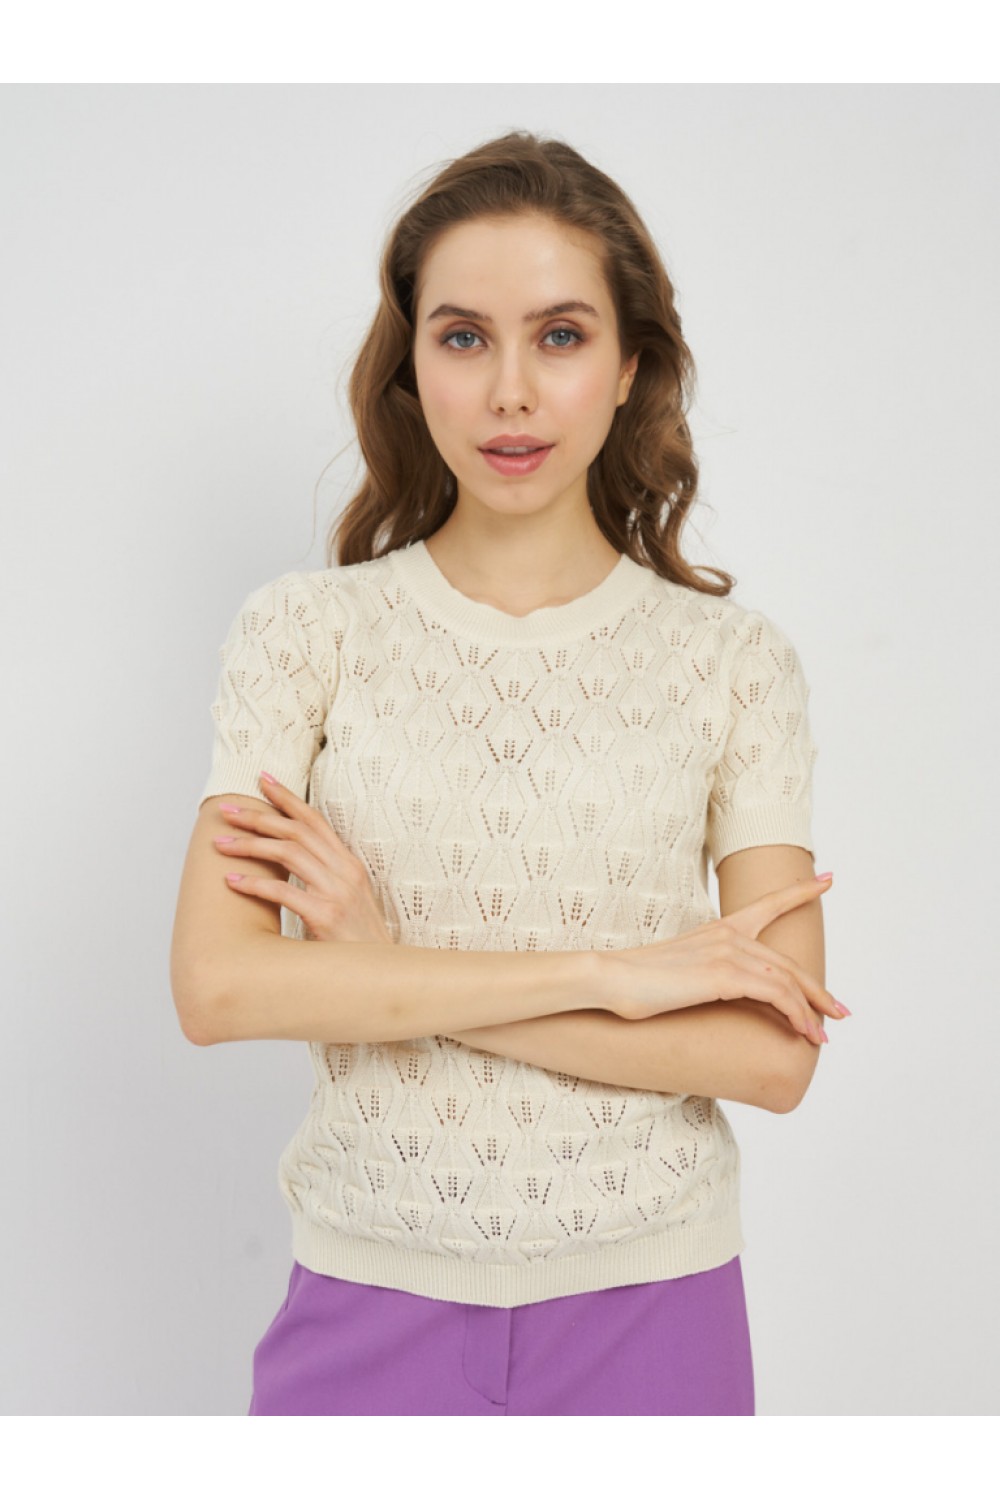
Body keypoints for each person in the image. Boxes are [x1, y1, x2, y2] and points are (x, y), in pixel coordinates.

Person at [170, 130, 846, 1417]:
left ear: (630, 365)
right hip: (366, 1300)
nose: (510, 393)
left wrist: (382, 969)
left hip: (654, 1310)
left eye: (561, 336)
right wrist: (611, 978)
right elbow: (217, 986)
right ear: (411, 363)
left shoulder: (733, 664)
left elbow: (773, 1056)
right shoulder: (305, 635)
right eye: (464, 337)